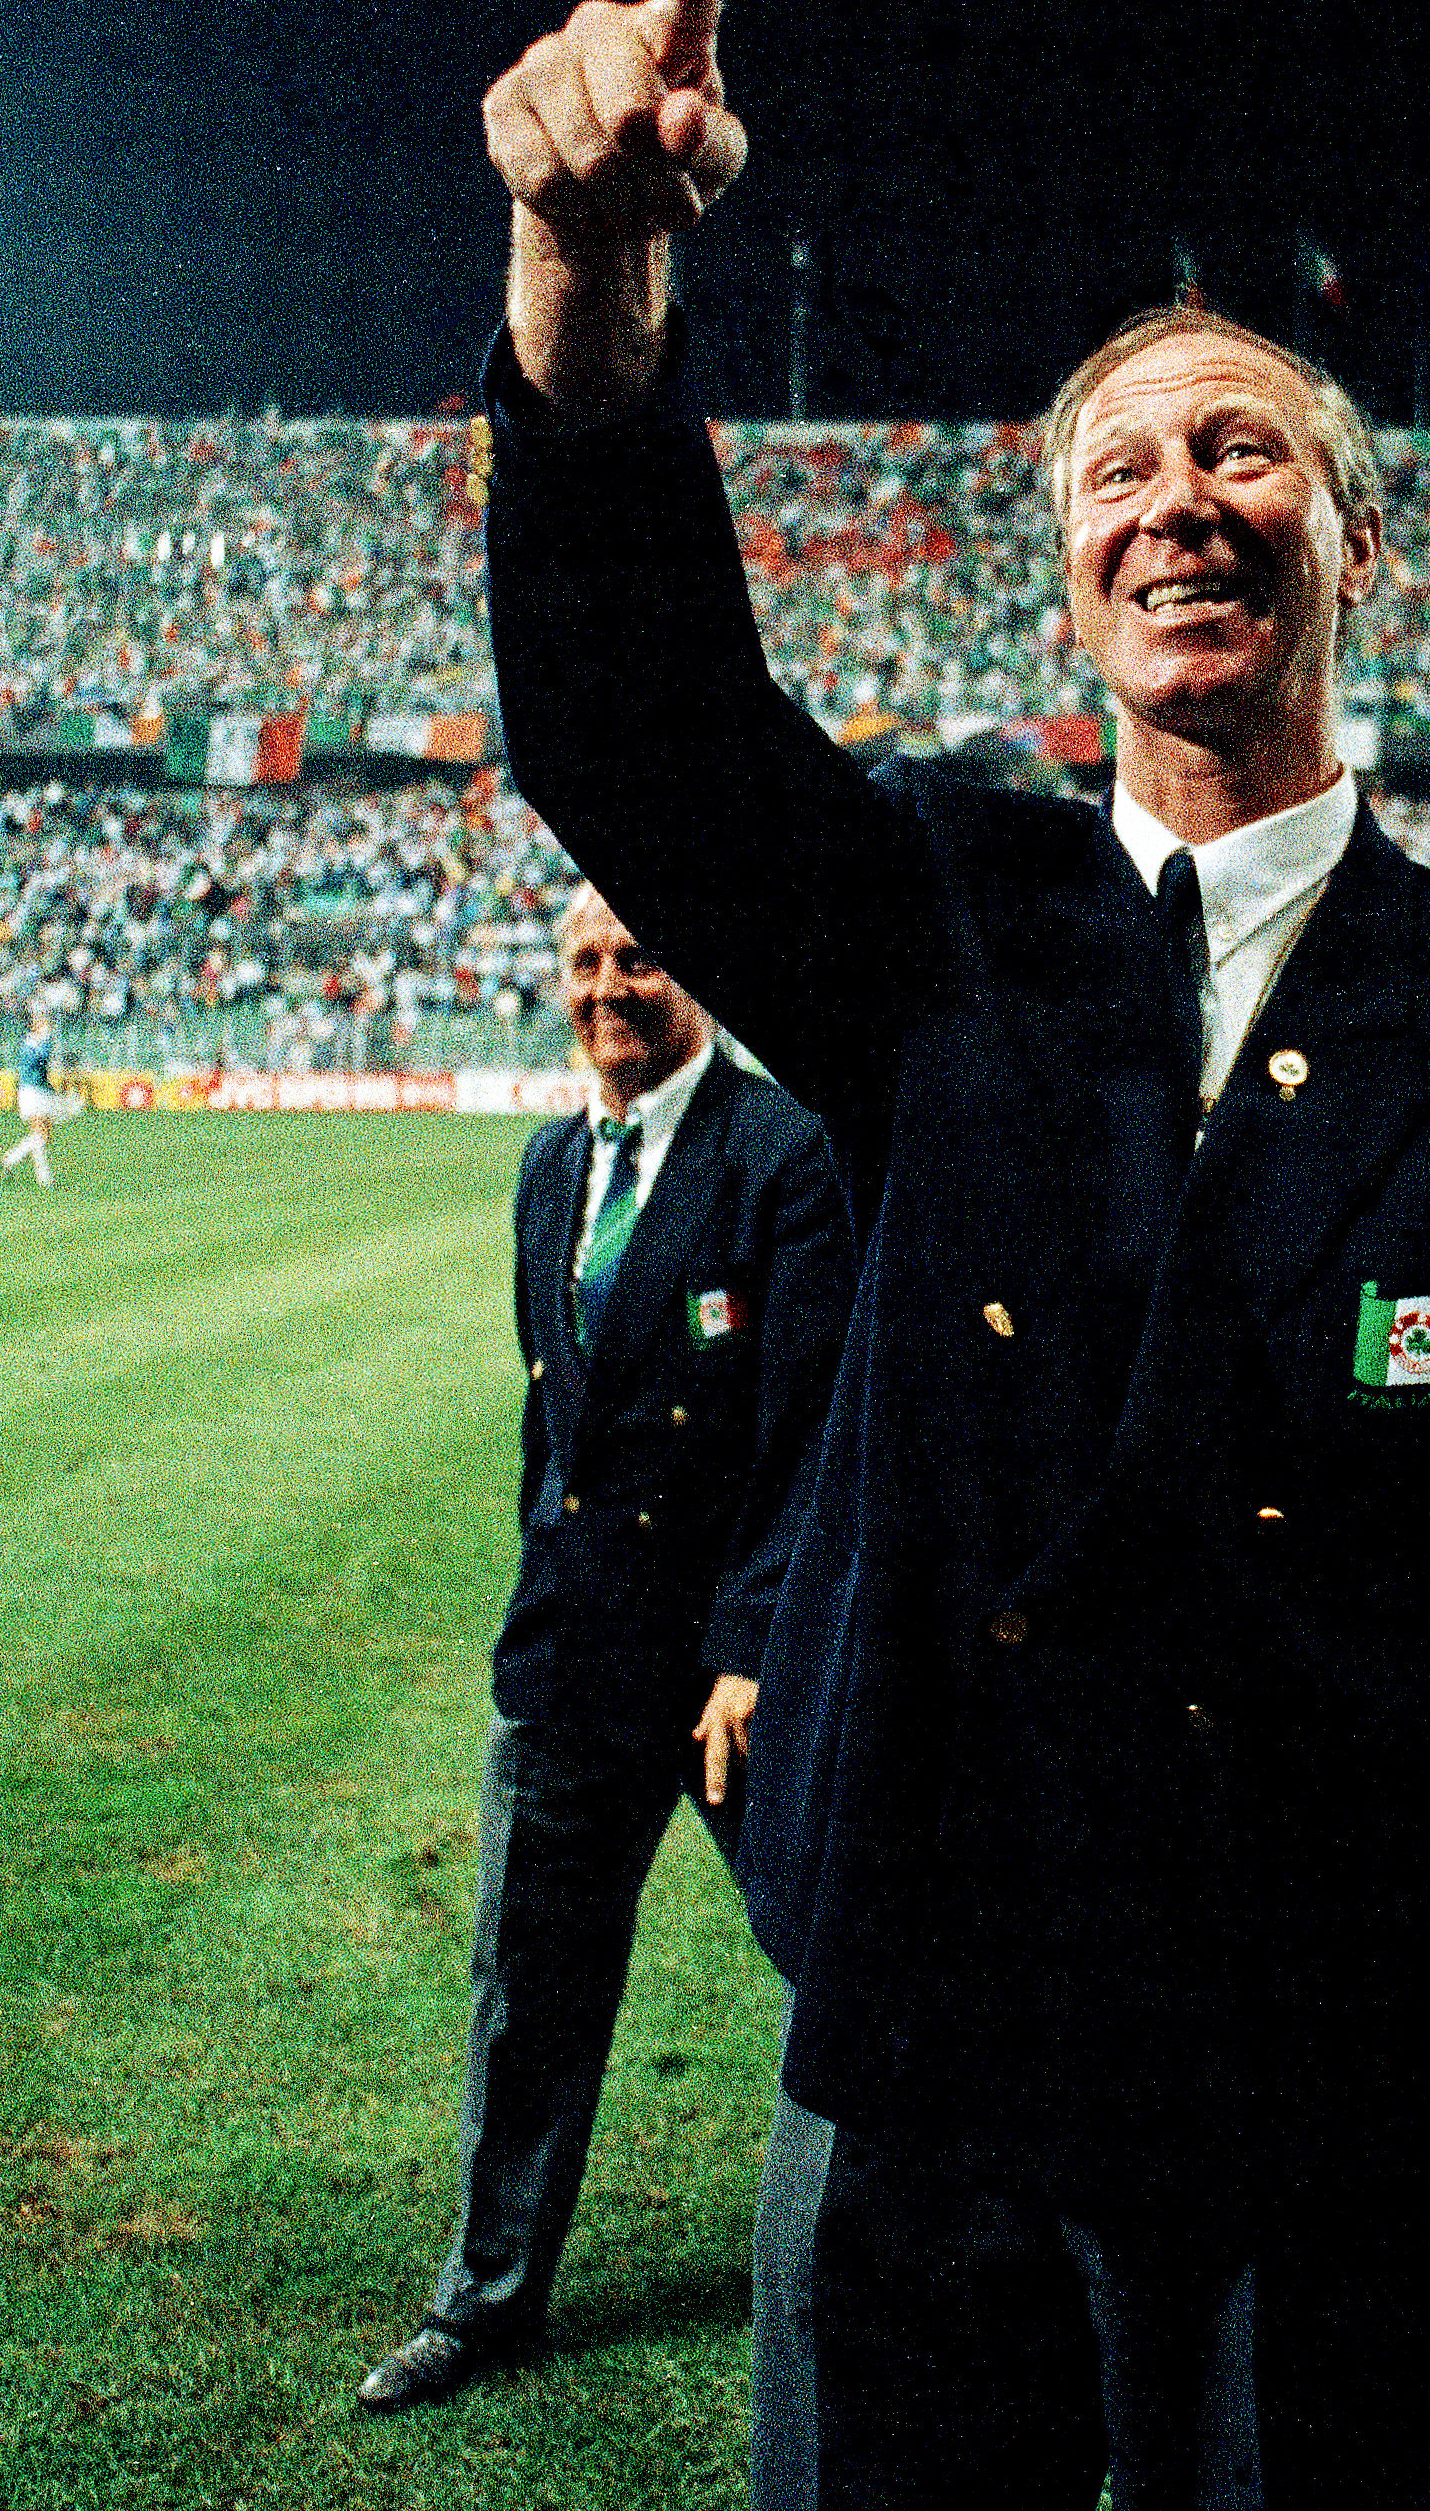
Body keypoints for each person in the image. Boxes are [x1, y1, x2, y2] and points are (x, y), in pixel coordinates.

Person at [473, 0, 1430, 2509]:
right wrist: (593, 306)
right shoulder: (935, 909)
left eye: (1243, 452)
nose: (1177, 494)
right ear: (1069, 576)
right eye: (1114, 472)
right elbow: (633, 726)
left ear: (1353, 538)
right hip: (937, 2065)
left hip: (1337, 2106)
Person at [358, 885, 855, 2453]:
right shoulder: (550, 1164)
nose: (606, 987)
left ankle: (913, 2259)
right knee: (529, 1995)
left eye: (636, 954)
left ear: (689, 967)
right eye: (582, 964)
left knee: (840, 1955)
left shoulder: (786, 1155)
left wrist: (754, 1646)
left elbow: (810, 1431)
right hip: (573, 1657)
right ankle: (486, 2293)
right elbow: (549, 1419)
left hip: (725, 1678)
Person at [0, 1000, 75, 1186]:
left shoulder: (36, 1042)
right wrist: (48, 1039)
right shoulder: (31, 1044)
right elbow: (39, 1059)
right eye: (42, 1022)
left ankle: (12, 1160)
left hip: (40, 1090)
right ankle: (42, 1177)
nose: (46, 1025)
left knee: (44, 1134)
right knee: (41, 1132)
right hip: (31, 1091)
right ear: (34, 1026)